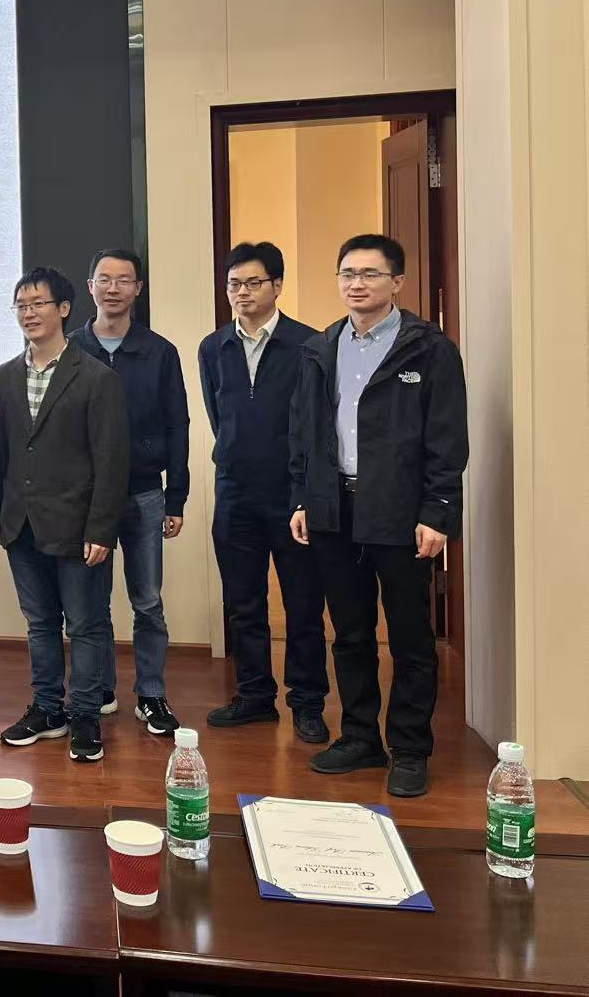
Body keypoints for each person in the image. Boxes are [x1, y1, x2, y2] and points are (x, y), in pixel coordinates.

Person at [289, 234, 467, 798]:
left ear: (397, 282)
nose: (356, 284)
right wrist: (303, 499)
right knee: (350, 632)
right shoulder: (321, 348)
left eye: (370, 273)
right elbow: (304, 434)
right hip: (334, 508)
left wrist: (438, 512)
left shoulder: (428, 349)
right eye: (347, 273)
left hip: (401, 512)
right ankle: (360, 736)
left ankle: (410, 749)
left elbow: (447, 439)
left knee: (411, 638)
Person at [0, 268, 127, 764]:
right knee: (40, 623)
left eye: (38, 304)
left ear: (64, 309)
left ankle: (85, 713)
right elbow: (4, 451)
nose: (29, 313)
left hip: (77, 526)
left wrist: (101, 529)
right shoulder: (6, 375)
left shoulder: (96, 377)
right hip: (22, 525)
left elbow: (111, 461)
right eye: (21, 306)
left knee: (86, 625)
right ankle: (48, 708)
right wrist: (0, 520)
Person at [199, 242, 329, 743]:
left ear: (277, 286)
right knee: (243, 602)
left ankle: (307, 702)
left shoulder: (309, 345)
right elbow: (220, 417)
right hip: (235, 493)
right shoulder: (213, 347)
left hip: (293, 495)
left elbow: (316, 427)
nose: (242, 293)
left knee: (303, 603)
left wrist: (305, 494)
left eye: (253, 283)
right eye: (234, 284)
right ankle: (254, 695)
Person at [68, 249, 189, 735]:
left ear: (138, 288)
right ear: (90, 286)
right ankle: (99, 689)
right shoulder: (71, 348)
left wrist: (176, 497)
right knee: (90, 603)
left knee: (148, 601)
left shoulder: (160, 351)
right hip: (87, 499)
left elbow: (177, 425)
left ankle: (152, 694)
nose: (113, 288)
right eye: (104, 279)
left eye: (124, 280)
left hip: (144, 494)